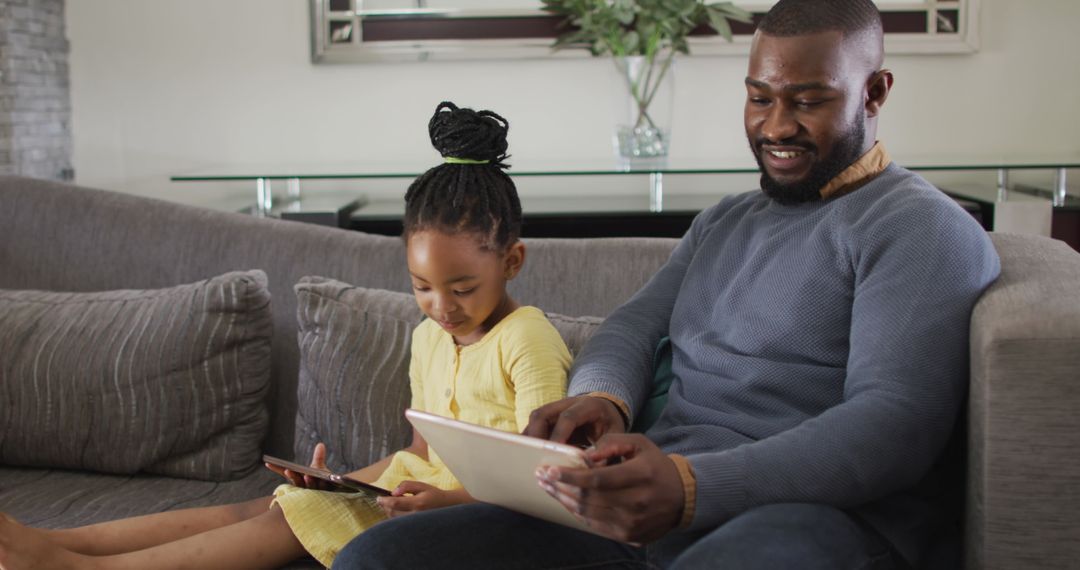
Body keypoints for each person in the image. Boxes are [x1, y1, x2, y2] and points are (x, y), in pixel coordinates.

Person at [331, 1, 1002, 569]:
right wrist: (604, 398)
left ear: (875, 92)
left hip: (821, 516)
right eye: (759, 98)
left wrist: (689, 484)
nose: (775, 127)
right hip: (655, 502)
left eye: (809, 102)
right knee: (379, 556)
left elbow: (891, 428)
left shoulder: (920, 230)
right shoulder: (727, 221)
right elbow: (632, 324)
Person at [0, 101, 573, 570]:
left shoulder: (526, 339)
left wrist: (448, 501)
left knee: (282, 521)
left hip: (480, 514)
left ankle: (76, 568)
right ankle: (56, 544)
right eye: (422, 286)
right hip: (411, 495)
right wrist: (341, 483)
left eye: (463, 288)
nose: (441, 307)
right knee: (270, 502)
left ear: (513, 261)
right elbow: (419, 454)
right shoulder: (428, 336)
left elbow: (544, 478)